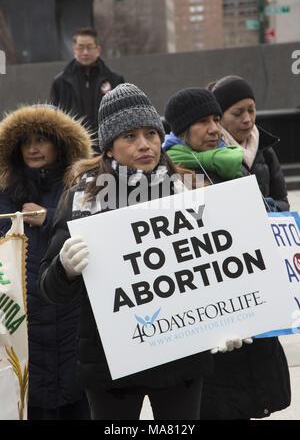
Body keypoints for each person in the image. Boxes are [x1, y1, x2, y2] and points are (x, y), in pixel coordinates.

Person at [38, 83, 214, 421]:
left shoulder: (189, 190)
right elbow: (50, 288)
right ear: (108, 149)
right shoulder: (83, 200)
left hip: (181, 358)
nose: (145, 144)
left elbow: (215, 266)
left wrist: (228, 326)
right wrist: (65, 268)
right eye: (130, 136)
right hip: (112, 363)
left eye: (151, 133)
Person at [163, 81, 291, 420]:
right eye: (203, 122)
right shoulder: (167, 175)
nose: (214, 129)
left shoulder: (232, 165)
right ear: (181, 129)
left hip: (245, 312)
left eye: (216, 120)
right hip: (203, 325)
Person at [0, 104, 93, 420]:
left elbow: (93, 231)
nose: (33, 148)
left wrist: (49, 217)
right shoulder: (5, 193)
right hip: (24, 321)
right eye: (26, 142)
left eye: (41, 139)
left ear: (60, 143)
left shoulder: (80, 187)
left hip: (72, 317)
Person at [208, 75, 289, 212]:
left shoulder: (265, 148)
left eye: (251, 111)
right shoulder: (209, 152)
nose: (247, 119)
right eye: (237, 113)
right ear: (219, 117)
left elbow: (283, 202)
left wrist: (268, 207)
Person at [50, 27, 125, 152]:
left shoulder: (115, 80)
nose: (85, 52)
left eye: (89, 47)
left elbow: (122, 117)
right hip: (73, 150)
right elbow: (53, 119)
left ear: (98, 50)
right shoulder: (60, 82)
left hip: (107, 149)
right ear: (74, 51)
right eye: (80, 48)